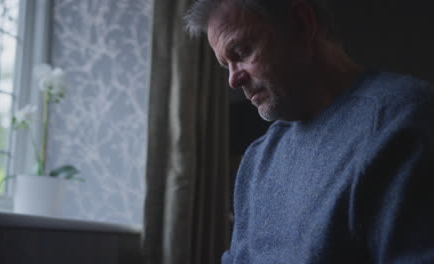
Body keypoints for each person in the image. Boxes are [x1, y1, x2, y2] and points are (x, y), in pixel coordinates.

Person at [184, 0, 434, 263]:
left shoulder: (405, 122)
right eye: (227, 65)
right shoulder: (257, 160)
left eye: (242, 52)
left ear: (303, 23)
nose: (233, 80)